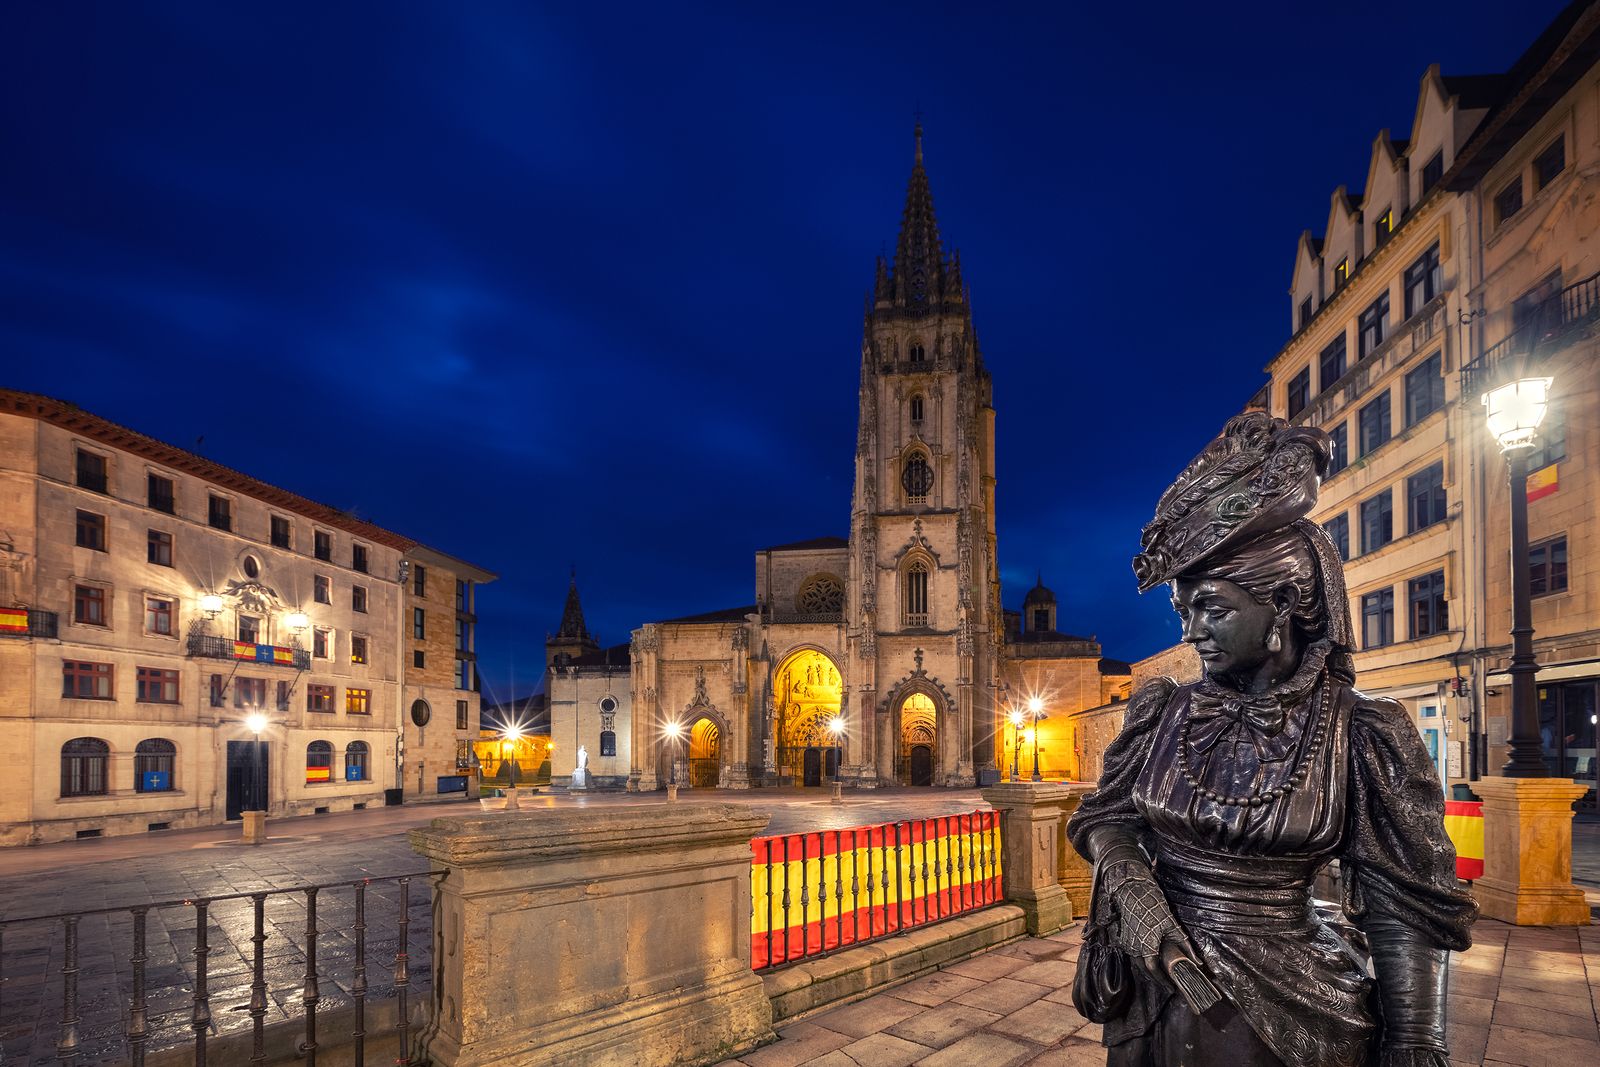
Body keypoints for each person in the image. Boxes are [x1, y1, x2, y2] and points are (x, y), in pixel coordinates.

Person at [1066, 412, 1476, 1067]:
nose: (1192, 632)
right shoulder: (1161, 709)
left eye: (1213, 610)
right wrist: (1134, 890)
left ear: (1284, 602)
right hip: (1151, 998)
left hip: (1287, 1008)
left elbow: (1406, 904)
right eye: (1184, 612)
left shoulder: (1362, 728)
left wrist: (1415, 1040)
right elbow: (1105, 817)